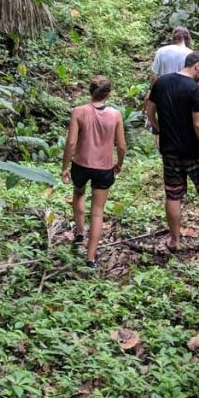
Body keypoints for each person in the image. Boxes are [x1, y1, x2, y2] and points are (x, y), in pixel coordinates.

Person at [145, 51, 199, 250]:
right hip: (194, 151)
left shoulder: (161, 83)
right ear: (196, 66)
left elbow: (149, 110)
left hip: (170, 150)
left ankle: (174, 240)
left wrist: (158, 128)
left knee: (173, 195)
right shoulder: (195, 89)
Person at [61, 76, 126, 268]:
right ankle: (90, 258)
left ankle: (80, 232)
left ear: (90, 91)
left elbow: (71, 142)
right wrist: (119, 163)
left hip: (80, 165)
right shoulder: (115, 115)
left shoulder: (78, 112)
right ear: (109, 94)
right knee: (97, 212)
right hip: (104, 168)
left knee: (78, 193)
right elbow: (121, 145)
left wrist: (65, 166)